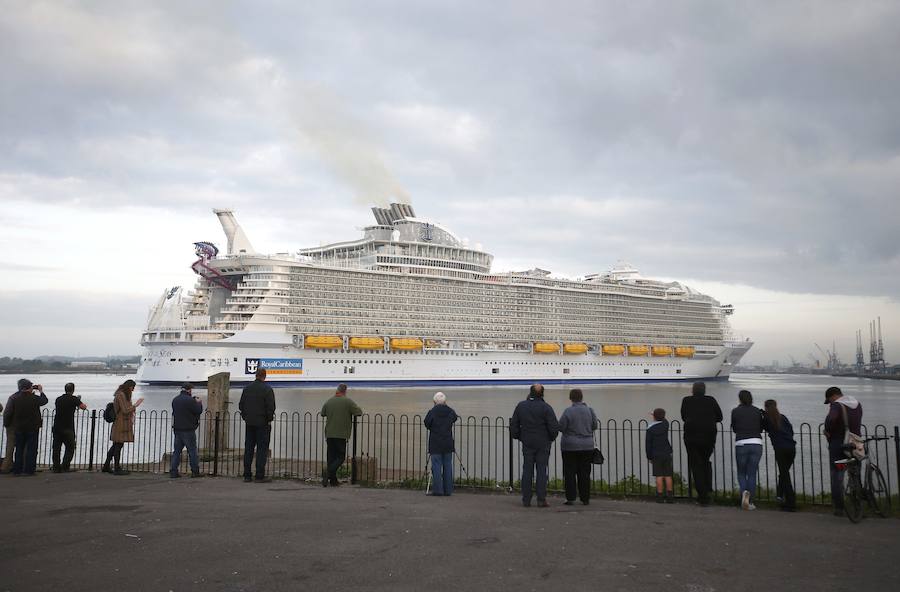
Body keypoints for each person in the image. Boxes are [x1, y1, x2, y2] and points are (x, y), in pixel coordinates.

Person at [510, 384, 559, 507]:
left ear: (530, 392)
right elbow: (554, 428)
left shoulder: (521, 406)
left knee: (527, 470)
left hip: (527, 442)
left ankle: (526, 499)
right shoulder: (547, 408)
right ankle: (541, 499)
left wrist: (520, 437)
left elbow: (514, 426)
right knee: (542, 471)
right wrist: (550, 439)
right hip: (543, 443)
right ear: (542, 394)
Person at [680, 382, 722, 506]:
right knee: (705, 461)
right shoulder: (711, 400)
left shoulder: (686, 400)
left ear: (693, 390)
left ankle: (702, 496)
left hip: (691, 437)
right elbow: (720, 417)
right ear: (704, 390)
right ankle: (708, 489)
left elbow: (683, 416)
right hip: (709, 436)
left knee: (695, 465)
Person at [823, 386, 863, 516]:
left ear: (833, 396)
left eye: (829, 401)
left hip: (839, 445)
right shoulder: (857, 404)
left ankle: (839, 507)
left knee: (837, 474)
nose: (830, 404)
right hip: (855, 443)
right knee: (855, 474)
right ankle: (857, 505)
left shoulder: (836, 406)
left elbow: (831, 419)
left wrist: (827, 430)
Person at [558, 388, 598, 506]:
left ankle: (570, 498)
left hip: (569, 446)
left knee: (570, 472)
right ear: (582, 397)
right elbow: (595, 425)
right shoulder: (590, 411)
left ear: (571, 398)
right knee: (585, 472)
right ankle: (585, 498)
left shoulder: (568, 411)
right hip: (587, 446)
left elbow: (561, 427)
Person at [3, 379, 49, 476]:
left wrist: (7, 423)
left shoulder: (14, 398)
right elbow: (45, 401)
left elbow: (8, 413)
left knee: (19, 449)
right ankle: (29, 470)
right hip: (32, 427)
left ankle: (17, 470)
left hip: (19, 427)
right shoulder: (34, 398)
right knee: (31, 449)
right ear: (28, 387)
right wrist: (40, 391)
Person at [320, 383, 362, 487]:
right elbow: (359, 412)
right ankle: (329, 472)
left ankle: (333, 481)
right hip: (341, 434)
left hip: (329, 434)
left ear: (337, 390)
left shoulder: (329, 401)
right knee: (340, 457)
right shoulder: (348, 401)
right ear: (345, 391)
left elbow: (322, 413)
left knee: (331, 457)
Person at [239, 368, 276, 483]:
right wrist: (269, 419)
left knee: (249, 448)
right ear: (264, 376)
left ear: (256, 375)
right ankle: (259, 475)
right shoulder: (267, 389)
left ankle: (247, 475)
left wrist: (246, 417)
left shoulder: (247, 389)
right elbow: (271, 407)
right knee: (262, 449)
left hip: (249, 423)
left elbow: (241, 405)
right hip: (263, 424)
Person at [731, 390, 764, 510]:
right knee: (752, 473)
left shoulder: (735, 411)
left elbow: (734, 428)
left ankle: (744, 494)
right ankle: (750, 502)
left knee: (741, 472)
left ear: (740, 399)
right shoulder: (756, 411)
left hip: (741, 443)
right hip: (756, 443)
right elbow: (761, 428)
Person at [103, 379, 144, 475]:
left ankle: (106, 465)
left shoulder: (122, 394)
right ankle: (117, 468)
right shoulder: (121, 395)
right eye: (132, 387)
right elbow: (125, 410)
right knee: (118, 445)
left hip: (122, 422)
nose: (133, 390)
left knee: (116, 445)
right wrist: (136, 405)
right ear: (129, 387)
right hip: (120, 423)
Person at [762, 399, 796, 511]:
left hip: (780, 449)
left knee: (784, 475)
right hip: (791, 448)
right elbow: (791, 431)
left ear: (766, 408)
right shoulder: (783, 417)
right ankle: (780, 496)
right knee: (784, 474)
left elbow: (763, 428)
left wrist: (762, 415)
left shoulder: (767, 419)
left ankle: (791, 503)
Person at [423, 392, 459, 496]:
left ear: (434, 402)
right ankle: (448, 490)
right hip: (448, 442)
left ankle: (438, 490)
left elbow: (426, 423)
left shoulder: (432, 412)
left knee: (436, 466)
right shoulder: (450, 411)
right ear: (445, 401)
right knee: (448, 466)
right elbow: (455, 418)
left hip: (435, 442)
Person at [170, 382, 204, 478]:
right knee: (192, 451)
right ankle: (195, 471)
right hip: (188, 429)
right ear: (189, 390)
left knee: (177, 451)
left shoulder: (175, 400)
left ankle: (173, 471)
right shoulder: (190, 400)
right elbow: (198, 411)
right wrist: (199, 403)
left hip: (177, 429)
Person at [51, 382, 87, 473]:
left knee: (56, 448)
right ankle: (65, 466)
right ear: (73, 390)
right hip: (68, 427)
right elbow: (83, 407)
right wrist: (78, 401)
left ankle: (56, 467)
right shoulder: (74, 399)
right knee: (70, 447)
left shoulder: (58, 399)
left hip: (57, 426)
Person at [646, 408, 674, 503]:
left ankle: (660, 496)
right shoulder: (665, 425)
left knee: (659, 475)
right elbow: (664, 419)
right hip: (666, 453)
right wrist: (657, 415)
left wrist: (649, 456)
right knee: (668, 475)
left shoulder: (650, 429)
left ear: (654, 417)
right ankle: (670, 496)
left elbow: (648, 444)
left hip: (656, 454)